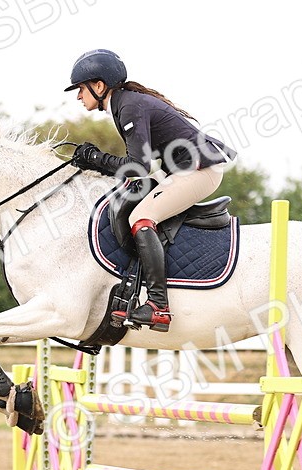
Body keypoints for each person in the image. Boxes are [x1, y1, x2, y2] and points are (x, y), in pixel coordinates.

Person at [66, 49, 236, 333]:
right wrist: (97, 161)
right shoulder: (124, 104)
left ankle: (158, 306)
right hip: (183, 170)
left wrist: (96, 158)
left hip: (199, 170)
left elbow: (137, 166)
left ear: (99, 86)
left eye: (81, 89)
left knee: (141, 218)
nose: (78, 96)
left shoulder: (129, 107)